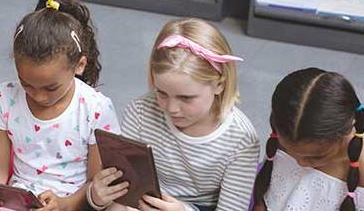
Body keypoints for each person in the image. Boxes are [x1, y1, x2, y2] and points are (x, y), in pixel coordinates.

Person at [0, 0, 120, 211]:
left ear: (79, 65)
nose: (39, 96)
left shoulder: (95, 109)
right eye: (26, 84)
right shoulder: (4, 98)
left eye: (51, 87)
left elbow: (95, 184)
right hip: (17, 200)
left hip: (69, 204)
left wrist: (62, 204)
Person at [89, 18, 258, 211]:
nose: (172, 109)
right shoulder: (140, 112)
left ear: (220, 84)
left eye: (186, 98)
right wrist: (98, 198)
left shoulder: (242, 139)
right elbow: (126, 189)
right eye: (161, 93)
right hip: (145, 199)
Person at [252, 68, 364, 210]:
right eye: (292, 152)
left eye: (316, 157)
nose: (301, 163)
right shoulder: (291, 131)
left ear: (345, 132)